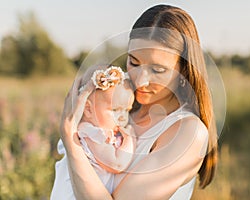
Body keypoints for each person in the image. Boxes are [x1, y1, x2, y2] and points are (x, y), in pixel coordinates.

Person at [56, 4, 218, 199]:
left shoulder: (188, 133)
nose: (140, 81)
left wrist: (70, 138)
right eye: (133, 62)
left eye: (157, 70)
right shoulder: (121, 106)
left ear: (183, 71)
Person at [50, 66, 136, 199]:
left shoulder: (103, 132)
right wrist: (130, 138)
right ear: (88, 110)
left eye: (127, 110)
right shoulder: (91, 134)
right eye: (115, 110)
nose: (123, 117)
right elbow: (117, 163)